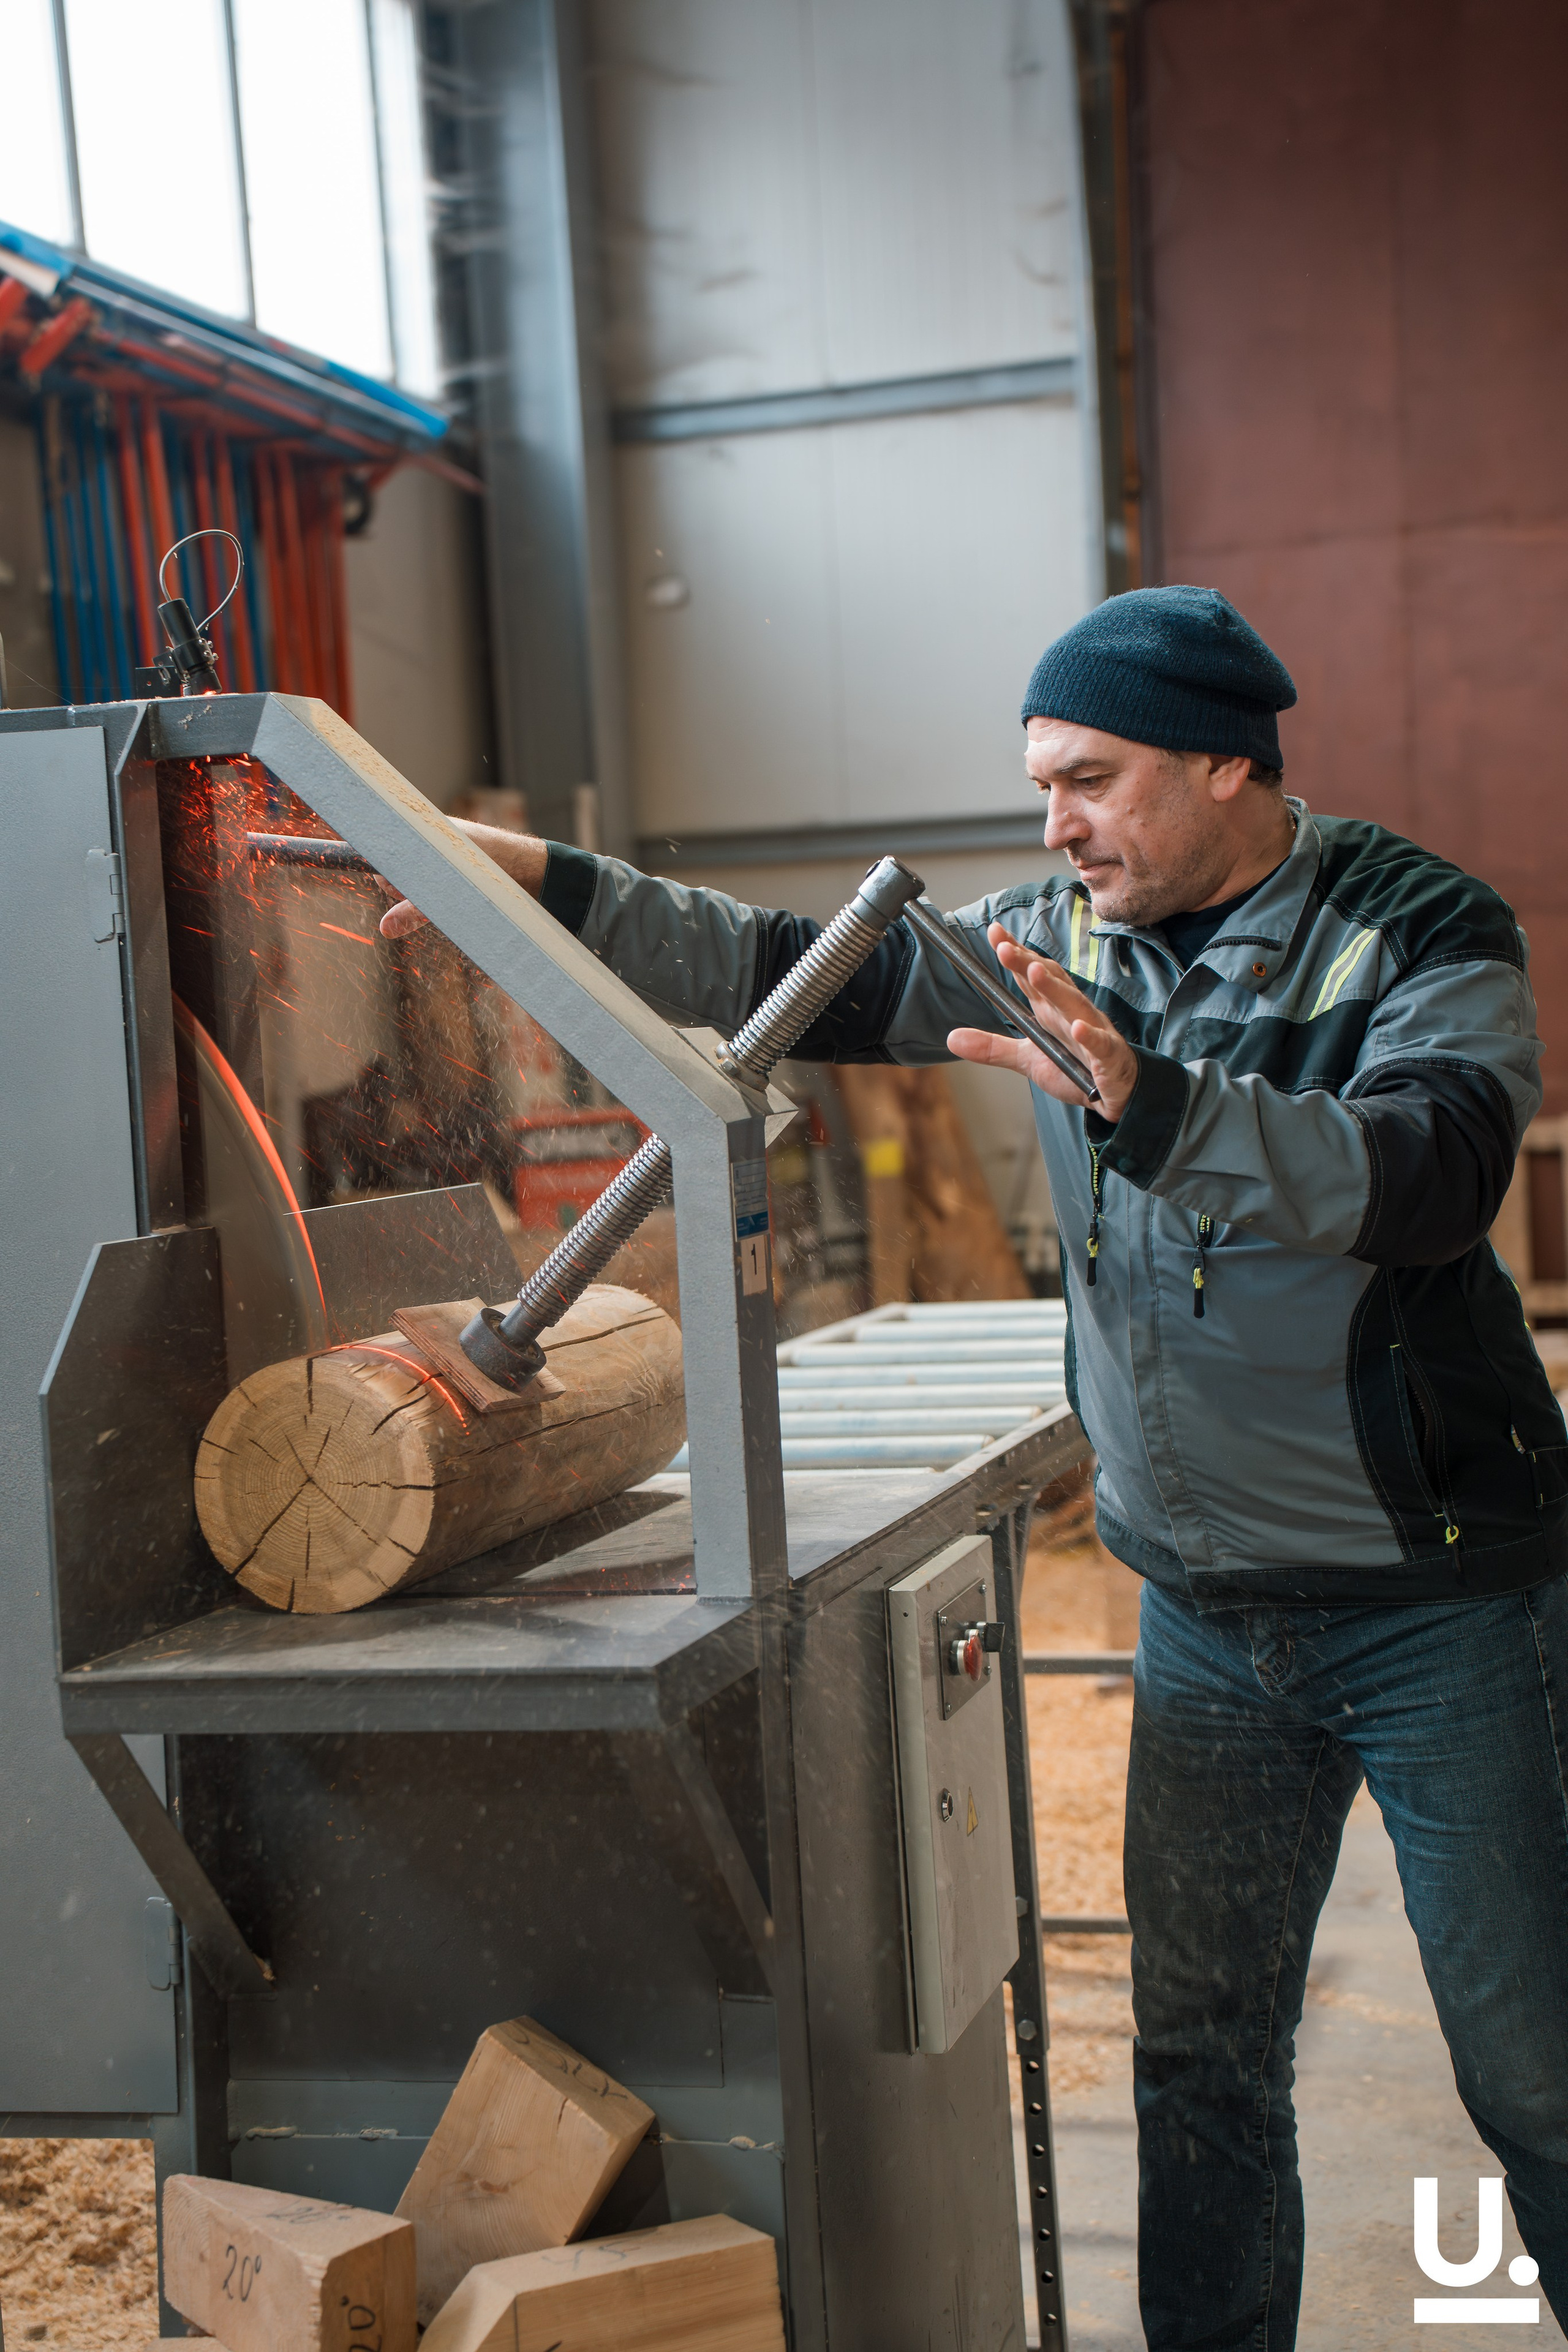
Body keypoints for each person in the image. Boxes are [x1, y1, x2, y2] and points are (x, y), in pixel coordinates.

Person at [382, 585, 1568, 2343]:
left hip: (1438, 1602)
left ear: (1226, 764)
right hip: (1208, 1618)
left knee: (1532, 2068)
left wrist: (1154, 1104)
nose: (1056, 826)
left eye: (1091, 780)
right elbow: (769, 967)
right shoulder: (1047, 939)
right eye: (1041, 788)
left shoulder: (1416, 927)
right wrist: (524, 873)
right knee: (1201, 2062)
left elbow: (1437, 1174)